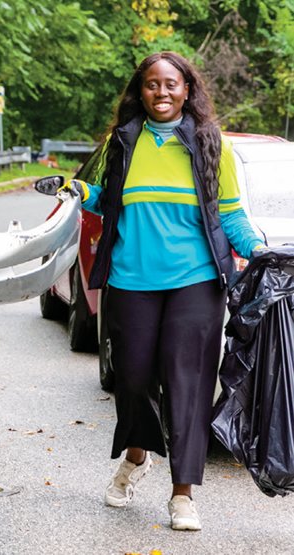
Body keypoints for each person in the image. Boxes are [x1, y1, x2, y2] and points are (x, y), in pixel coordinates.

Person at [65, 51, 266, 532]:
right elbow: (111, 200)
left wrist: (256, 248)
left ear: (187, 89)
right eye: (152, 84)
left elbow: (231, 213)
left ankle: (183, 494)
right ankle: (137, 456)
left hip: (195, 282)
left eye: (171, 84)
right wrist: (74, 189)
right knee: (131, 378)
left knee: (187, 387)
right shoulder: (124, 140)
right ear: (141, 91)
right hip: (130, 280)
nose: (162, 92)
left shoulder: (207, 142)